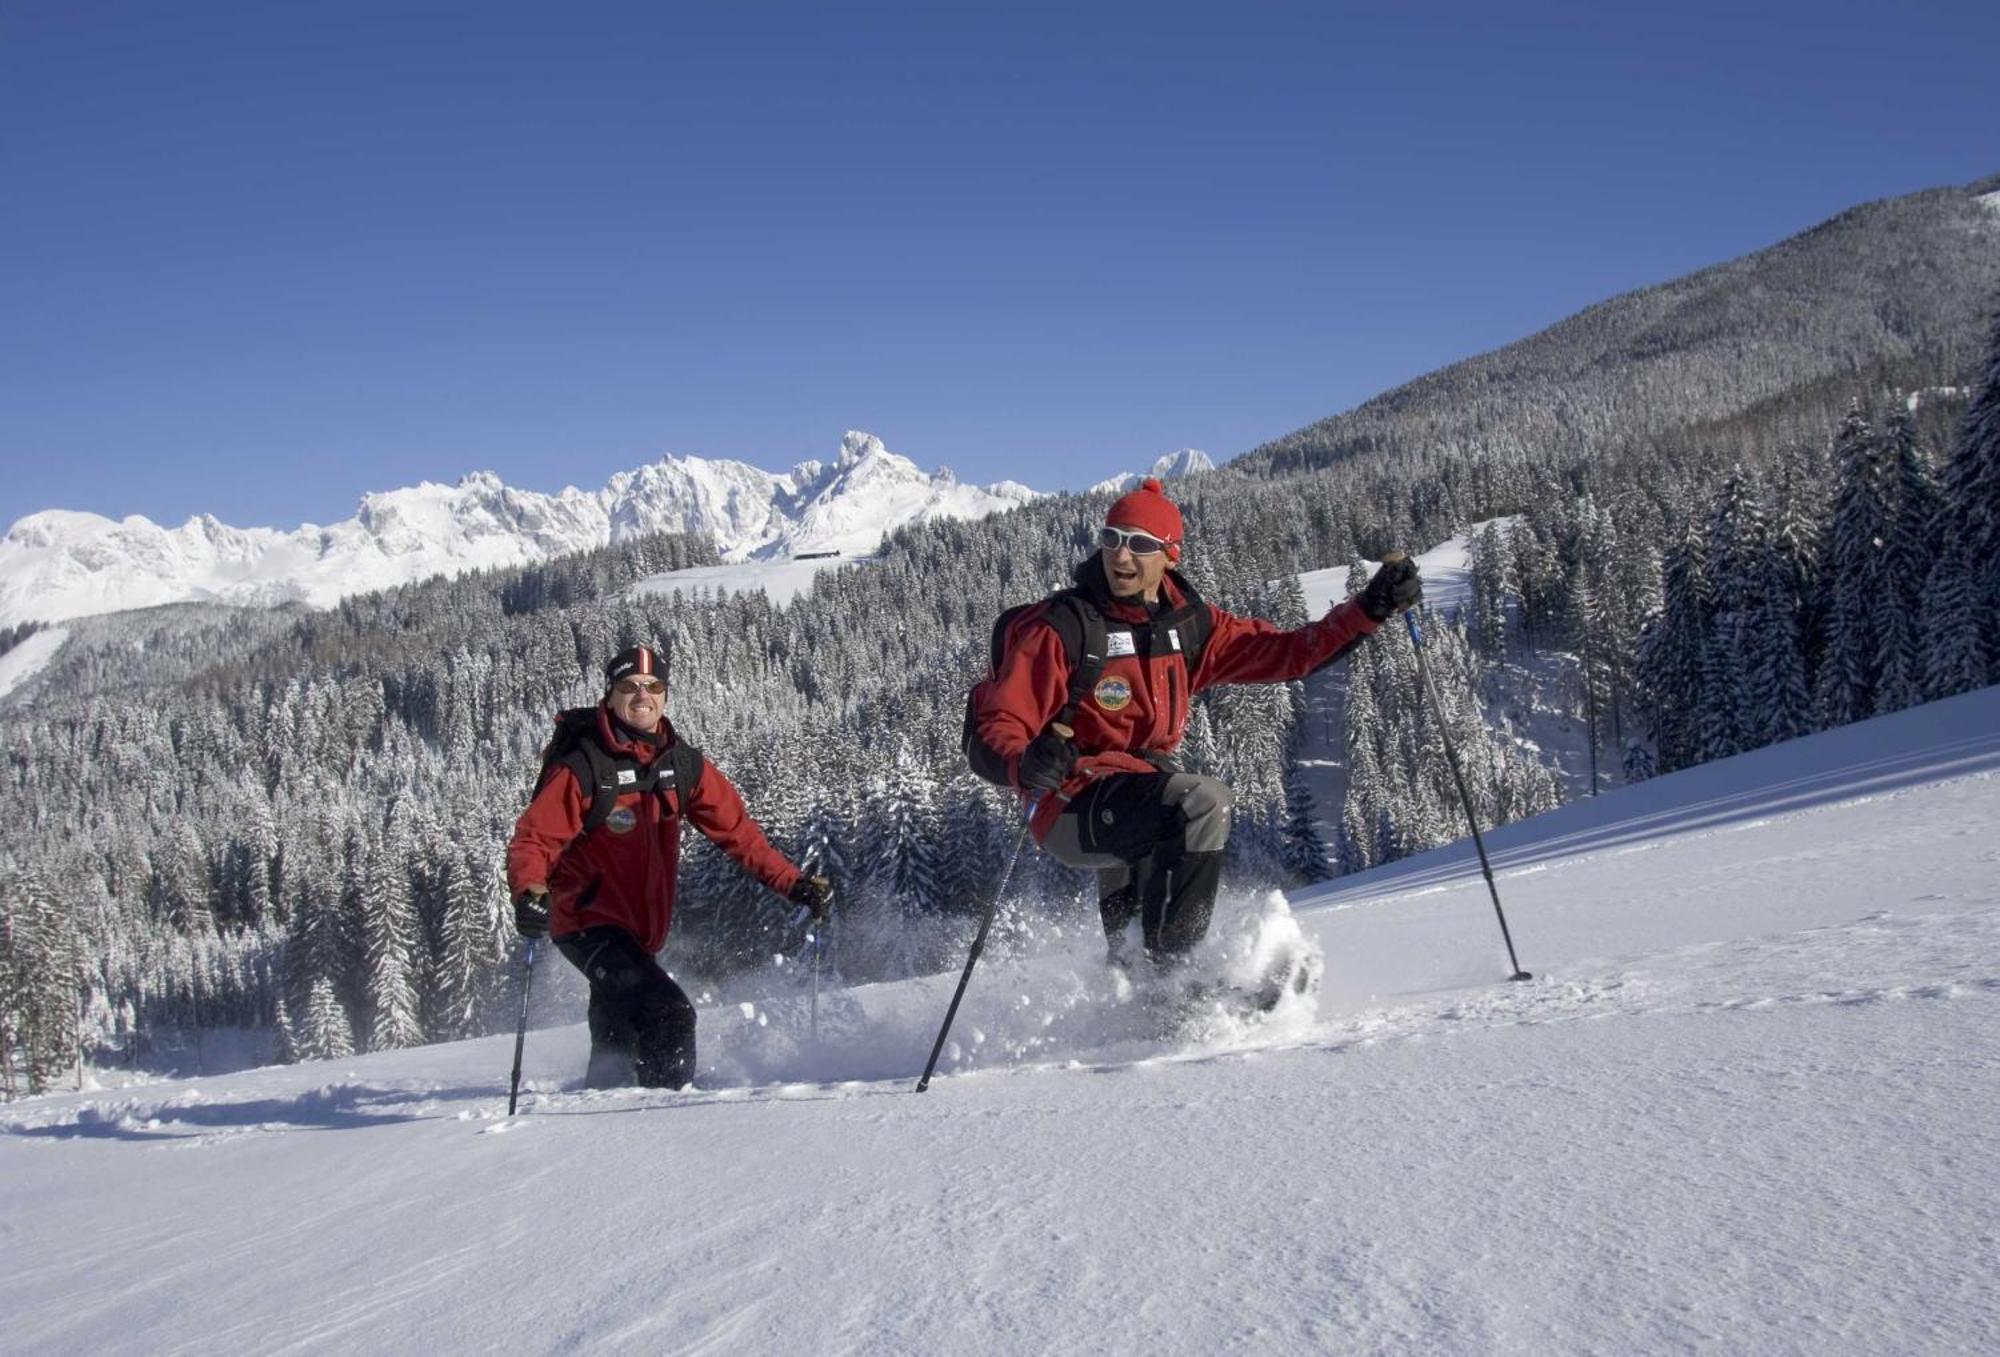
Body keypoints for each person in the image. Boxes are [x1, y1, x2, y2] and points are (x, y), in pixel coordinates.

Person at [971, 477, 1420, 966]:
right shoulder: (1064, 628)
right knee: (1202, 804)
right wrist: (1026, 761)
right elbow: (999, 721)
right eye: (1111, 540)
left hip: (1134, 791)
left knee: (1143, 898)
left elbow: (1290, 652)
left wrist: (1369, 609)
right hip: (1066, 800)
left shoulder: (1188, 627)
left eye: (1140, 545)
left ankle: (1130, 998)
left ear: (1171, 556)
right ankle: (1178, 979)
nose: (1121, 557)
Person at [506, 644, 830, 1089]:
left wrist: (794, 884)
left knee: (619, 1041)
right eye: (629, 687)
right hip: (587, 923)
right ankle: (666, 1118)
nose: (642, 696)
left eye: (653, 686)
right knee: (669, 1016)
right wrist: (529, 891)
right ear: (610, 694)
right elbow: (534, 838)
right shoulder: (583, 766)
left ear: (665, 693)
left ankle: (600, 1122)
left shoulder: (680, 765)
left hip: (640, 932)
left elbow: (739, 834)